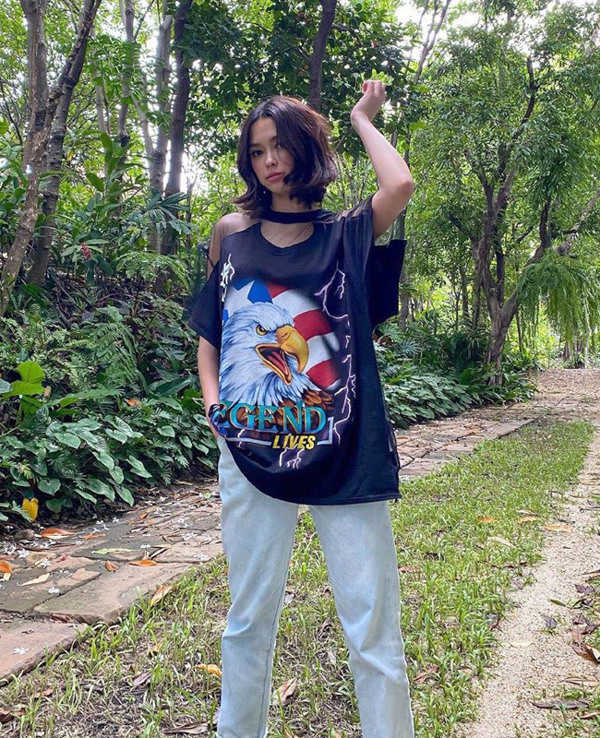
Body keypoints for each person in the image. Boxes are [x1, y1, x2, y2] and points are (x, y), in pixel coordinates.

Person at [187, 79, 415, 738]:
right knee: (248, 618)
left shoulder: (346, 233)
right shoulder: (231, 235)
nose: (270, 161)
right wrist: (215, 410)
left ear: (307, 149)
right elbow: (212, 333)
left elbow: (399, 185)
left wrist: (362, 117)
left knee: (372, 626)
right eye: (258, 150)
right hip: (251, 447)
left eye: (281, 145)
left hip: (345, 450)